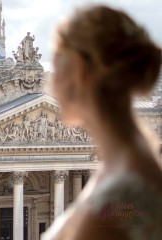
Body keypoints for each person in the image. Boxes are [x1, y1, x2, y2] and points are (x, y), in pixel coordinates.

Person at [41, 5, 162, 240]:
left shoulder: (122, 193)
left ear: (77, 71)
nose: (50, 85)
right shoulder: (130, 164)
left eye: (55, 68)